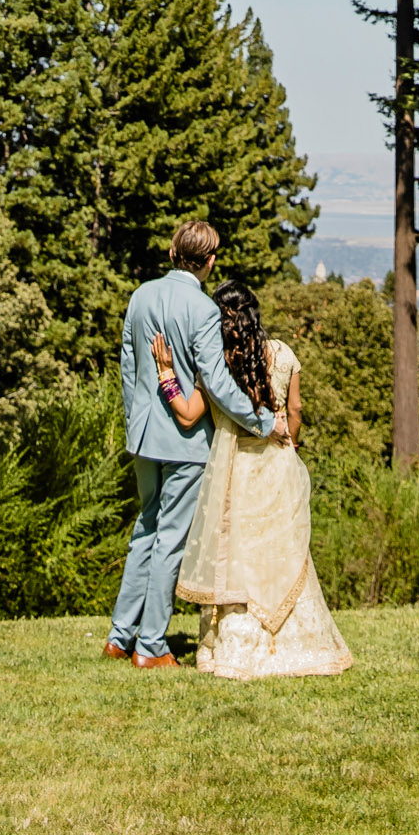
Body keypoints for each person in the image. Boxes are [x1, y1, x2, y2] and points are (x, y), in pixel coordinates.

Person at [155, 274, 353, 679]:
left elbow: (189, 415)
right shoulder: (282, 354)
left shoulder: (216, 366)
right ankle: (298, 644)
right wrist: (290, 444)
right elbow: (294, 411)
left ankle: (236, 644)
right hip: (277, 467)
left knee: (239, 559)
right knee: (283, 554)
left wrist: (166, 374)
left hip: (237, 470)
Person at [106, 219, 282, 667]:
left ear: (171, 253)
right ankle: (150, 647)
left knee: (144, 531)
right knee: (169, 540)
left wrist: (135, 419)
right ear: (209, 261)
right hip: (184, 442)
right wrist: (262, 420)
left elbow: (128, 368)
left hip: (144, 435)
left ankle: (119, 636)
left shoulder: (140, 296)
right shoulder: (203, 310)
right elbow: (218, 384)